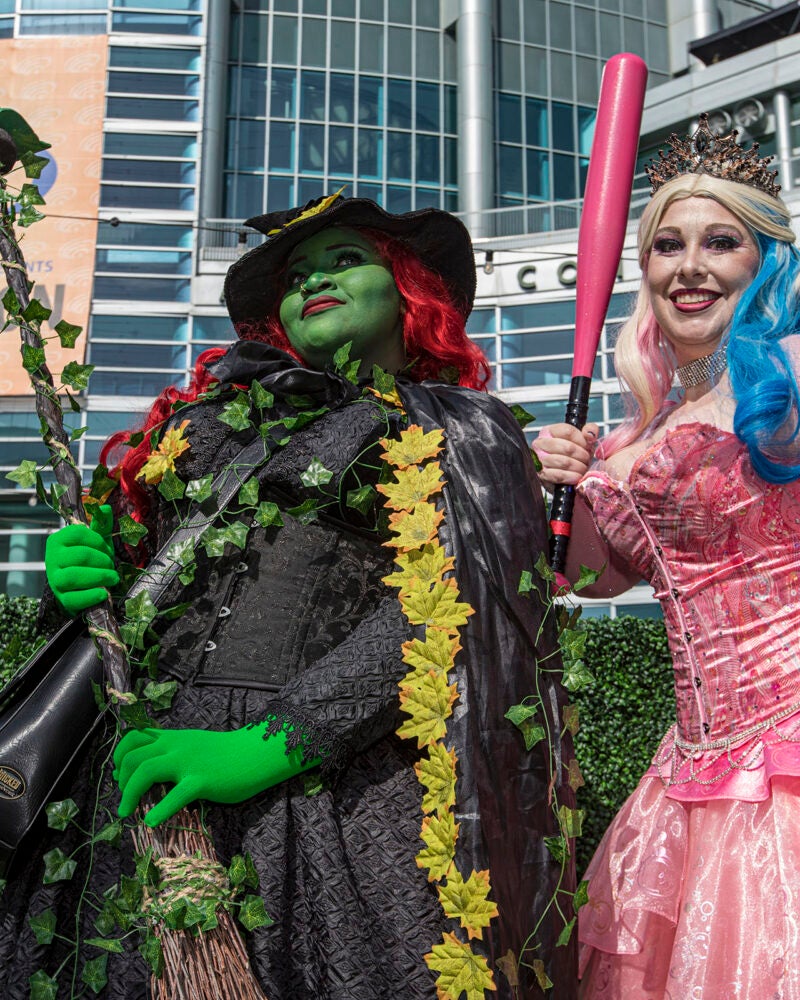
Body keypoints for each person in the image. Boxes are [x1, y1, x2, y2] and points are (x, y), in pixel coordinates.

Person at [1, 194, 577, 999]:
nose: (315, 280)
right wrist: (82, 573)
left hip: (325, 792)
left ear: (407, 288)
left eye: (345, 260)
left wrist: (266, 747)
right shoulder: (206, 425)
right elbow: (140, 593)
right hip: (143, 766)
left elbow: (455, 612)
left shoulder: (464, 430)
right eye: (297, 273)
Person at [534, 115, 800, 998]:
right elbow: (578, 577)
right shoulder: (626, 445)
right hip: (689, 783)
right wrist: (552, 486)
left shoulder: (791, 378)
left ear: (766, 261)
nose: (690, 267)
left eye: (721, 242)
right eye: (666, 246)